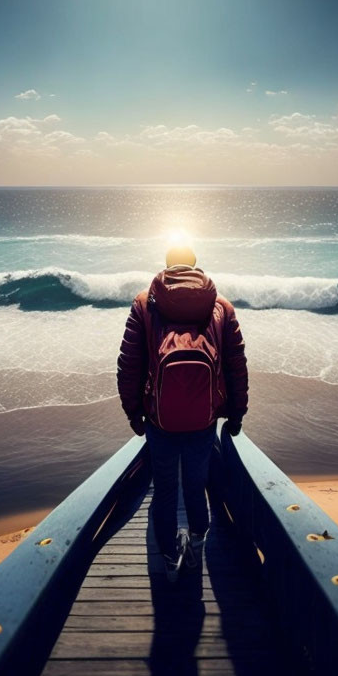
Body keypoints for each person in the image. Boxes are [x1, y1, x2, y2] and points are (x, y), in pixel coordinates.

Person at [116, 244, 248, 581]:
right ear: (194, 267)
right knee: (196, 483)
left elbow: (130, 364)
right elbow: (236, 367)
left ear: (167, 267)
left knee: (164, 489)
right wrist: (236, 413)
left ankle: (169, 556)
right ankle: (198, 545)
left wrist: (133, 411)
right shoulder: (221, 307)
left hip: (159, 418)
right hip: (204, 418)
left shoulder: (145, 303)